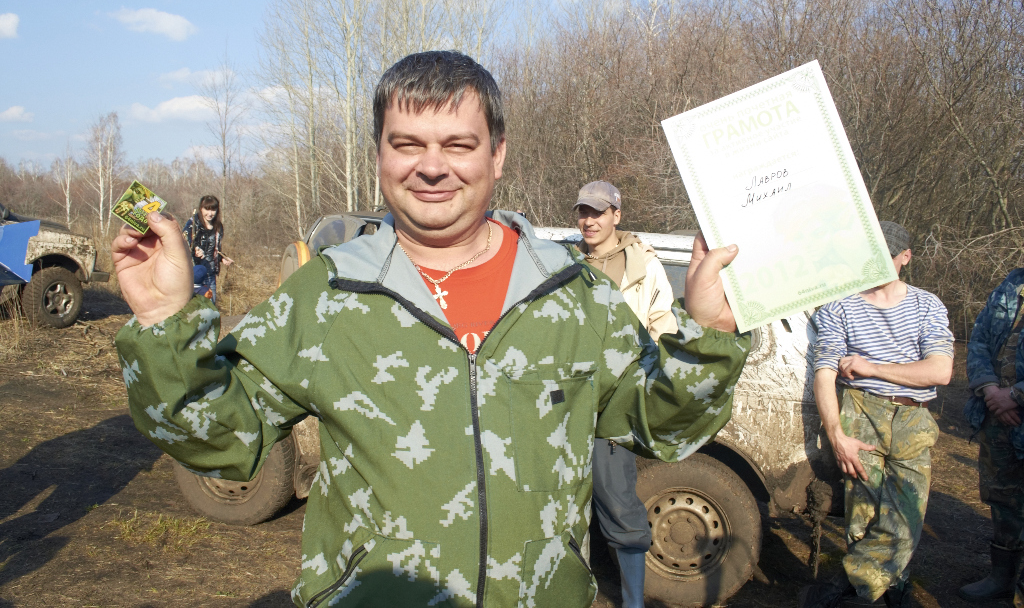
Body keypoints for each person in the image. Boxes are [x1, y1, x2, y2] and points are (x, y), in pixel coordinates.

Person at [111, 50, 749, 608]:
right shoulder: (331, 292)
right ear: (380, 154)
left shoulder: (572, 293)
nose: (432, 167)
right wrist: (164, 325)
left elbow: (660, 425)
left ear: (497, 154)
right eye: (408, 144)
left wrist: (711, 335)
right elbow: (220, 439)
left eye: (459, 145)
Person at [804, 221, 954, 608]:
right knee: (863, 520)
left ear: (905, 257)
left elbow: (940, 370)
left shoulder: (927, 305)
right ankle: (887, 596)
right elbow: (825, 373)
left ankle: (842, 588)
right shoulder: (839, 306)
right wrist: (836, 435)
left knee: (905, 518)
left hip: (912, 419)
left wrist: (872, 367)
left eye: (886, 255)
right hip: (860, 411)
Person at [574, 180, 675, 608]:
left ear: (617, 214)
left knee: (619, 505)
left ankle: (633, 602)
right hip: (567, 401)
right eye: (583, 211)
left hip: (614, 404)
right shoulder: (564, 262)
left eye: (598, 212)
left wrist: (644, 386)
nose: (589, 220)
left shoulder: (643, 264)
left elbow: (663, 325)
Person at [958, 269, 1024, 603]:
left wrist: (1016, 395)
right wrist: (990, 390)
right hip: (996, 413)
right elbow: (980, 341)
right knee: (1001, 496)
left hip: (1014, 404)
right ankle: (1002, 578)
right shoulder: (1010, 286)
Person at [182, 195, 233, 304]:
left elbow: (215, 249)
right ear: (201, 208)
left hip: (210, 274)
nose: (210, 213)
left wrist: (222, 258)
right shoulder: (193, 223)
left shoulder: (218, 226)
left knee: (210, 306)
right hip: (195, 275)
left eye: (213, 210)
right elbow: (184, 240)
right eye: (207, 209)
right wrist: (195, 249)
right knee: (194, 306)